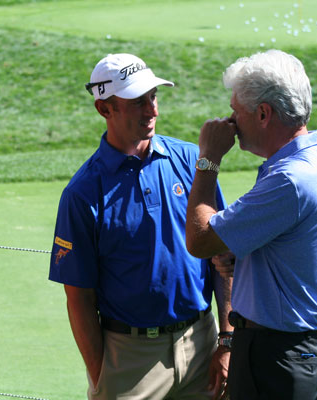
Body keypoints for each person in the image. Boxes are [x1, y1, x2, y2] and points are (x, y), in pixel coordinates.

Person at [49, 53, 233, 400]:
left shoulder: (191, 161)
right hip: (129, 359)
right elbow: (78, 297)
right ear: (104, 109)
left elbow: (223, 256)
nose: (152, 110)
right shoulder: (82, 192)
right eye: (137, 101)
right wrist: (102, 374)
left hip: (202, 344)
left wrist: (227, 340)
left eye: (153, 97)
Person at [186, 49, 317, 400]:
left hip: (276, 355)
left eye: (236, 111)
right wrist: (246, 258)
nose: (231, 120)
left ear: (263, 113)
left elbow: (200, 240)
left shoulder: (290, 180)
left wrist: (209, 159)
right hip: (308, 351)